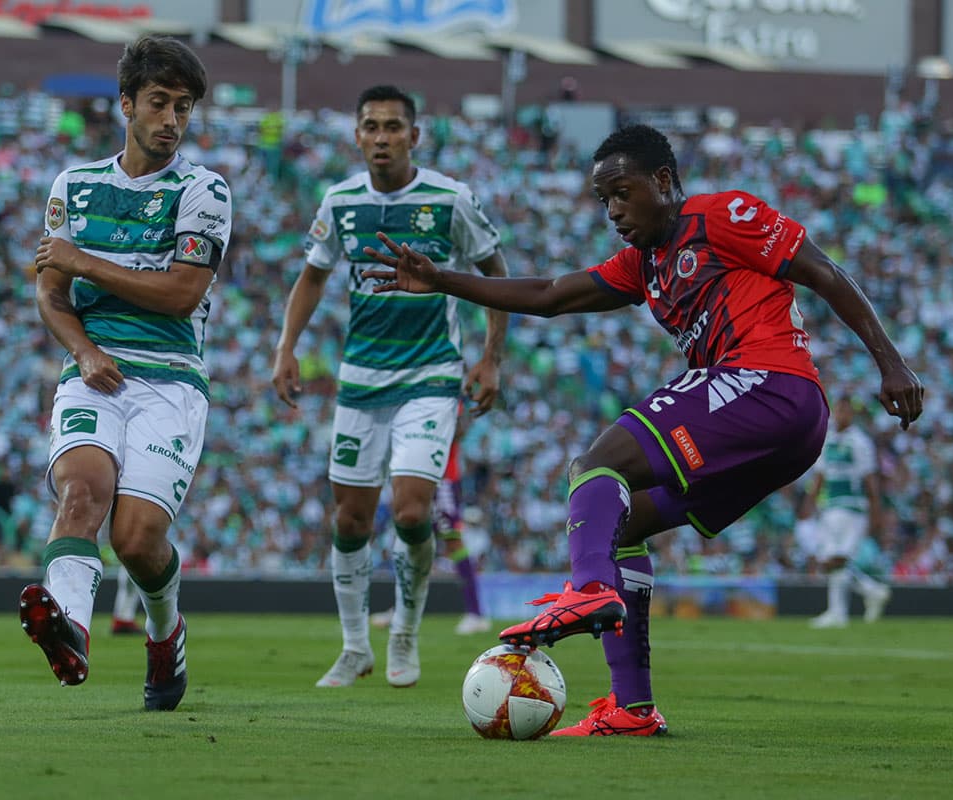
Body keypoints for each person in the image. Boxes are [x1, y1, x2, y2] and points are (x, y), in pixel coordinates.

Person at [363, 123, 923, 735]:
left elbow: (823, 271)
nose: (613, 211)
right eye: (604, 200)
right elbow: (552, 294)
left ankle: (588, 589)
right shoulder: (643, 263)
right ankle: (633, 709)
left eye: (622, 193)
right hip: (779, 430)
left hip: (769, 383)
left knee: (595, 465)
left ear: (663, 181)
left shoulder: (719, 216)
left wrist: (889, 360)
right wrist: (444, 280)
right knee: (624, 523)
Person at [272, 85, 510, 689]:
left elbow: (496, 272)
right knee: (349, 519)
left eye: (393, 127)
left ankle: (405, 630)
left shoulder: (449, 199)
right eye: (371, 126)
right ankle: (355, 646)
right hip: (360, 381)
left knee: (411, 508)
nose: (382, 137)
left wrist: (491, 359)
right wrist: (286, 348)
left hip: (430, 375)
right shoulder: (341, 201)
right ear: (357, 136)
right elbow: (311, 278)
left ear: (414, 136)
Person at [20, 34, 232, 711]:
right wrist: (83, 352)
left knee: (137, 539)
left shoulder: (203, 190)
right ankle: (71, 631)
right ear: (126, 105)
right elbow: (50, 296)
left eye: (185, 108)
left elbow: (180, 295)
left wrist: (85, 262)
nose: (172, 120)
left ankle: (166, 632)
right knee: (81, 494)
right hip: (93, 373)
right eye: (160, 104)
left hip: (170, 380)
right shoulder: (74, 185)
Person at [371, 403, 491, 635]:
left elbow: (460, 428)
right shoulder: (421, 396)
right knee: (413, 541)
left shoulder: (447, 396)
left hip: (443, 480)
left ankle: (476, 613)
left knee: (453, 541)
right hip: (420, 476)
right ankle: (401, 610)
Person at [802, 395, 892, 628]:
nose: (840, 415)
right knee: (830, 560)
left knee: (837, 560)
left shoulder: (859, 443)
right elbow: (820, 475)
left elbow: (870, 480)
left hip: (852, 508)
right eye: (838, 411)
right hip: (830, 507)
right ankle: (869, 593)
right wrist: (809, 502)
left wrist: (876, 512)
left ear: (852, 415)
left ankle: (839, 612)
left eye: (845, 411)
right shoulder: (828, 438)